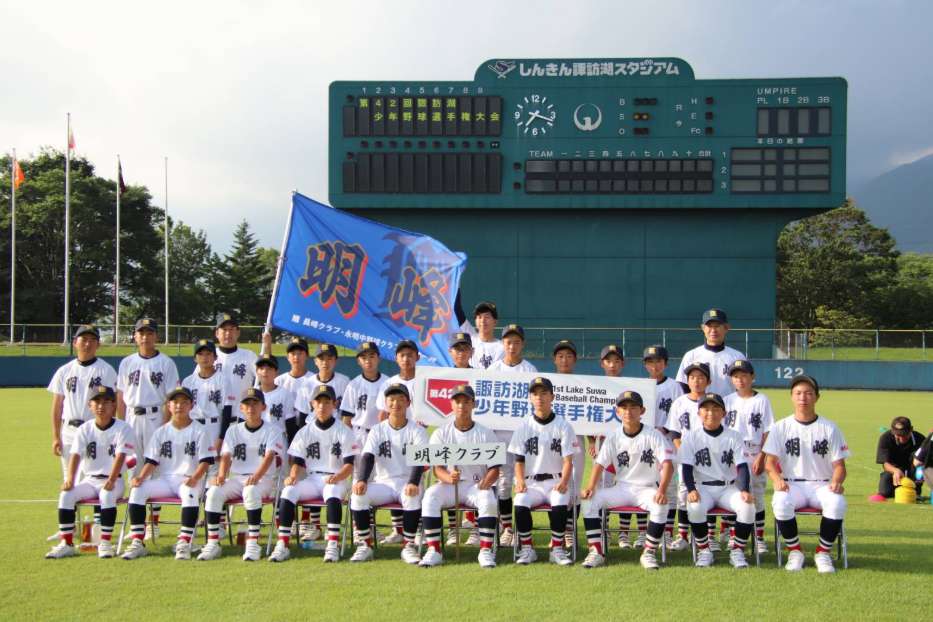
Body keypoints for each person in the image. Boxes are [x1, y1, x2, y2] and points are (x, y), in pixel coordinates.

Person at [764, 375, 850, 573]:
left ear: (817, 397)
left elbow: (839, 466)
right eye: (798, 393)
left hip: (822, 484)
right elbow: (769, 463)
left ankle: (823, 553)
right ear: (792, 397)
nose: (803, 397)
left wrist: (837, 482)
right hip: (792, 484)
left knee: (837, 503)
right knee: (781, 502)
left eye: (808, 393)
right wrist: (777, 479)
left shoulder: (830, 428)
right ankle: (795, 551)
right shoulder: (780, 427)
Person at [580, 390, 674, 570]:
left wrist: (662, 490)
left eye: (633, 407)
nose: (628, 411)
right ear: (617, 411)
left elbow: (667, 464)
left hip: (647, 488)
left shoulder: (654, 434)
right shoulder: (614, 436)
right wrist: (591, 486)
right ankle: (596, 551)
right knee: (589, 501)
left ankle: (649, 552)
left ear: (642, 410)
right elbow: (600, 463)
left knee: (661, 505)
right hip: (622, 488)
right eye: (623, 407)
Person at [122, 386, 214, 560]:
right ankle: (137, 541)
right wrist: (140, 477)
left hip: (189, 479)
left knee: (190, 493)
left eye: (184, 402)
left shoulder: (200, 430)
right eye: (175, 402)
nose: (179, 406)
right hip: (165, 480)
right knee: (137, 490)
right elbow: (151, 461)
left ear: (191, 405)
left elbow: (206, 461)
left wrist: (195, 478)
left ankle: (184, 542)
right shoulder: (161, 432)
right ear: (169, 406)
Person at [269, 385, 358, 563]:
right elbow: (298, 462)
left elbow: (349, 465)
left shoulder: (344, 431)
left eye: (327, 402)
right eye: (318, 402)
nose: (322, 406)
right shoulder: (305, 432)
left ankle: (332, 544)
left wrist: (338, 477)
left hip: (336, 479)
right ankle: (283, 544)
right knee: (288, 491)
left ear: (334, 404)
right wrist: (293, 476)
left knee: (332, 491)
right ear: (312, 404)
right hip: (312, 478)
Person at [45, 386, 136, 559]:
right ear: (90, 406)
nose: (101, 406)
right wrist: (70, 480)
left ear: (114, 405)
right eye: (97, 402)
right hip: (89, 480)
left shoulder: (123, 428)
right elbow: (75, 455)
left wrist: (111, 480)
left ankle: (105, 543)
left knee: (107, 496)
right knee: (66, 495)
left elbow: (121, 456)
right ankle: (67, 544)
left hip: (114, 481)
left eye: (106, 402)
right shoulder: (84, 429)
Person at [46, 324, 118, 541]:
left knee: (97, 476)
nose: (87, 343)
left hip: (95, 430)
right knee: (69, 478)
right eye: (83, 339)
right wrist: (56, 436)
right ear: (75, 342)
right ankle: (71, 526)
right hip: (69, 430)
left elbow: (112, 403)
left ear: (98, 344)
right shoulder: (65, 370)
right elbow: (57, 405)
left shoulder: (105, 370)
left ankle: (98, 527)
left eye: (92, 340)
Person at [197, 388, 286, 561]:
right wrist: (221, 475)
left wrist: (257, 476)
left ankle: (253, 543)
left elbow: (270, 456)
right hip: (237, 478)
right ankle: (213, 543)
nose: (251, 408)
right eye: (247, 404)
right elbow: (226, 456)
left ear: (264, 407)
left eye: (255, 404)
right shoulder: (233, 430)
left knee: (250, 491)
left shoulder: (273, 430)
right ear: (241, 408)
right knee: (213, 492)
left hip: (264, 480)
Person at [419, 384, 501, 568]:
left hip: (476, 485)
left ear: (474, 404)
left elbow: (495, 468)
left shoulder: (486, 433)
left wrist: (486, 483)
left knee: (488, 500)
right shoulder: (441, 433)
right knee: (430, 496)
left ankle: (485, 551)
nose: (461, 406)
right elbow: (437, 469)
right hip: (450, 485)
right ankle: (434, 550)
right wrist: (448, 478)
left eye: (466, 402)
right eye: (457, 401)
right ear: (451, 404)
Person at [349, 383, 427, 564]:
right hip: (383, 482)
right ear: (386, 403)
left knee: (412, 497)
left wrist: (413, 482)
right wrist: (362, 480)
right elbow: (368, 456)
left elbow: (420, 459)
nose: (395, 403)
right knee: (358, 495)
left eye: (400, 399)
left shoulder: (417, 430)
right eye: (391, 399)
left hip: (407, 482)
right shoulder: (378, 429)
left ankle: (408, 546)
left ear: (408, 403)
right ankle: (365, 545)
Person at [116, 318, 179, 539]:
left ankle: (153, 524)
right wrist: (121, 424)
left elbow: (171, 397)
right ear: (135, 336)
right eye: (141, 333)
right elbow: (121, 396)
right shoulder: (127, 362)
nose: (145, 337)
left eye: (149, 332)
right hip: (132, 417)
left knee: (155, 469)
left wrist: (165, 426)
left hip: (155, 416)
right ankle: (137, 525)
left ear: (156, 336)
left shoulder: (166, 363)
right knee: (134, 469)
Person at [679, 393, 757, 568]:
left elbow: (742, 466)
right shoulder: (691, 437)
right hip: (702, 488)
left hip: (727, 488)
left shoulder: (734, 436)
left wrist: (744, 490)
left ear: (724, 413)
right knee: (695, 508)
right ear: (699, 413)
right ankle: (704, 551)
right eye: (706, 409)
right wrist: (691, 489)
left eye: (715, 409)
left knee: (747, 507)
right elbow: (687, 468)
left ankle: (737, 551)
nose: (710, 413)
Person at [510, 376, 577, 566]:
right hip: (531, 483)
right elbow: (518, 460)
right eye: (535, 393)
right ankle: (527, 549)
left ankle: (557, 549)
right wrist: (520, 481)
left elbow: (568, 460)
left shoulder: (563, 425)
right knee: (520, 502)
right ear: (530, 398)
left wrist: (564, 482)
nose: (539, 397)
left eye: (544, 393)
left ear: (552, 397)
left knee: (559, 501)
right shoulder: (524, 427)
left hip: (555, 480)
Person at [488, 324, 537, 546]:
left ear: (522, 344)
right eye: (508, 342)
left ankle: (521, 530)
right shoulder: (493, 370)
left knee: (523, 483)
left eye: (517, 342)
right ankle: (507, 527)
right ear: (502, 343)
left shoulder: (530, 371)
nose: (512, 346)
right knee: (502, 483)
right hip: (498, 434)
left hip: (523, 436)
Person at [295, 343, 351, 538]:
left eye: (329, 358)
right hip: (312, 435)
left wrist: (344, 434)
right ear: (315, 361)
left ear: (336, 360)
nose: (325, 362)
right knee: (312, 477)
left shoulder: (344, 381)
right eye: (321, 358)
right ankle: (315, 526)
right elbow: (301, 416)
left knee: (333, 478)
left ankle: (336, 530)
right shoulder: (307, 383)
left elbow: (347, 413)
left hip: (337, 434)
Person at [724, 360, 774, 553]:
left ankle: (759, 537)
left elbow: (768, 430)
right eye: (736, 376)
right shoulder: (727, 400)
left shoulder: (762, 400)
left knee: (757, 496)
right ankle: (733, 535)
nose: (740, 380)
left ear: (752, 377)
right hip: (732, 454)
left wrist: (762, 455)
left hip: (754, 451)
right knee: (733, 495)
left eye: (744, 375)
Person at [664, 362, 710, 551]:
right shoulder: (680, 402)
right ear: (687, 381)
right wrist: (683, 451)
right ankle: (683, 536)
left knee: (708, 492)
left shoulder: (713, 402)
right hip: (685, 455)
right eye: (692, 377)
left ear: (708, 381)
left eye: (701, 377)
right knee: (684, 494)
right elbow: (674, 432)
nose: (696, 381)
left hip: (709, 457)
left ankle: (707, 536)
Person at [643, 344, 685, 547]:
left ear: (666, 364)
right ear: (645, 365)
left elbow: (679, 415)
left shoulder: (674, 386)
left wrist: (665, 429)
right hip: (645, 444)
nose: (654, 365)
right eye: (650, 361)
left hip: (668, 441)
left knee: (669, 488)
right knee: (647, 486)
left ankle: (667, 532)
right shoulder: (641, 386)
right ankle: (648, 531)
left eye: (658, 361)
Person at [552, 339, 587, 548]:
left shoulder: (584, 384)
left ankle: (569, 531)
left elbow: (594, 416)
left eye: (568, 356)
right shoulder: (546, 384)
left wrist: (593, 440)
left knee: (573, 485)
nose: (564, 360)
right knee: (553, 484)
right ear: (554, 359)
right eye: (560, 356)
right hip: (550, 443)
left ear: (575, 359)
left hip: (576, 441)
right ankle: (556, 532)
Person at [675, 308, 745, 397]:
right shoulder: (691, 355)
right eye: (709, 326)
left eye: (717, 326)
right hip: (700, 405)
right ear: (703, 328)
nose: (713, 330)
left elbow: (745, 387)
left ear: (726, 327)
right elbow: (682, 386)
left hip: (729, 405)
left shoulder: (737, 357)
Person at [875, 416, 925, 499]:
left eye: (904, 434)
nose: (901, 438)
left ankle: (916, 489)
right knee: (885, 492)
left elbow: (927, 461)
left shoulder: (921, 439)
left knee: (918, 461)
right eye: (898, 435)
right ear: (892, 431)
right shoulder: (885, 438)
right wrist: (895, 470)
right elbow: (885, 463)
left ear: (911, 429)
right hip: (893, 471)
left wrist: (922, 474)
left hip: (913, 472)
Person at [468, 301, 504, 370]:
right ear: (475, 321)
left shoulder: (502, 347)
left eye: (487, 317)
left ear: (495, 322)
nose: (483, 320)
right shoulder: (468, 343)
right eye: (479, 317)